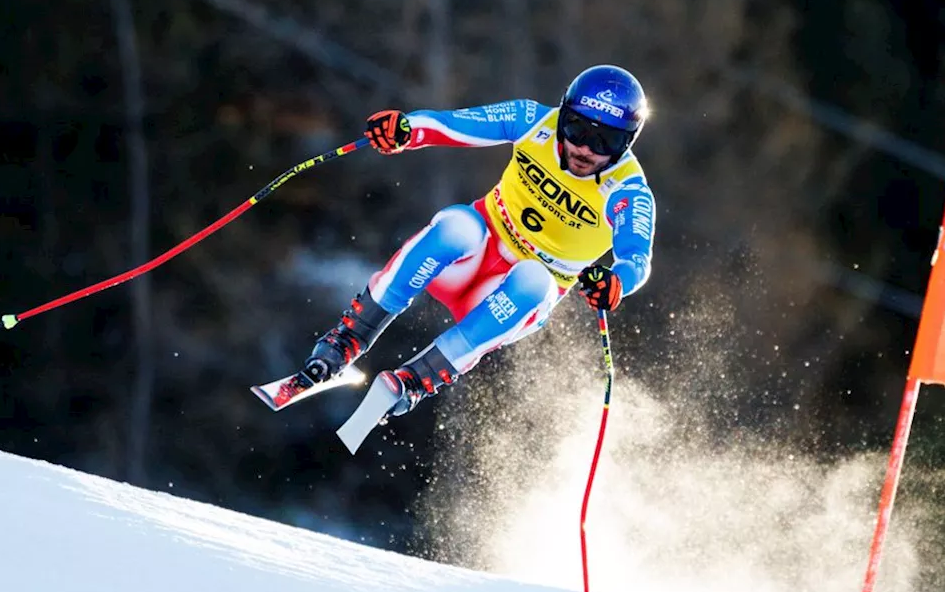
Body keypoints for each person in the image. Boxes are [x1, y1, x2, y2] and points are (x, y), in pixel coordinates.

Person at [269, 64, 657, 419]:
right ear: (562, 117)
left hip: (507, 297)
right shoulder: (533, 122)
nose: (585, 148)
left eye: (604, 140)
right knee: (458, 225)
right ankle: (348, 338)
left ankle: (416, 381)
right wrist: (406, 130)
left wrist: (617, 281)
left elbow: (635, 255)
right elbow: (455, 124)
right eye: (576, 130)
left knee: (535, 281)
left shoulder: (626, 188)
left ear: (626, 143)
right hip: (471, 256)